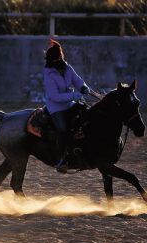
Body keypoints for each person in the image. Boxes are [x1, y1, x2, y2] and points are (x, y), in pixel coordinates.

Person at [43, 39, 90, 173]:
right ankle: (60, 160)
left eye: (61, 56)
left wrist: (83, 87)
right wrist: (73, 96)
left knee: (86, 114)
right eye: (58, 57)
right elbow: (54, 96)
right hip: (55, 108)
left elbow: (77, 80)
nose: (61, 58)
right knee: (63, 130)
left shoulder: (67, 68)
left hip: (70, 104)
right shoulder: (48, 74)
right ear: (54, 59)